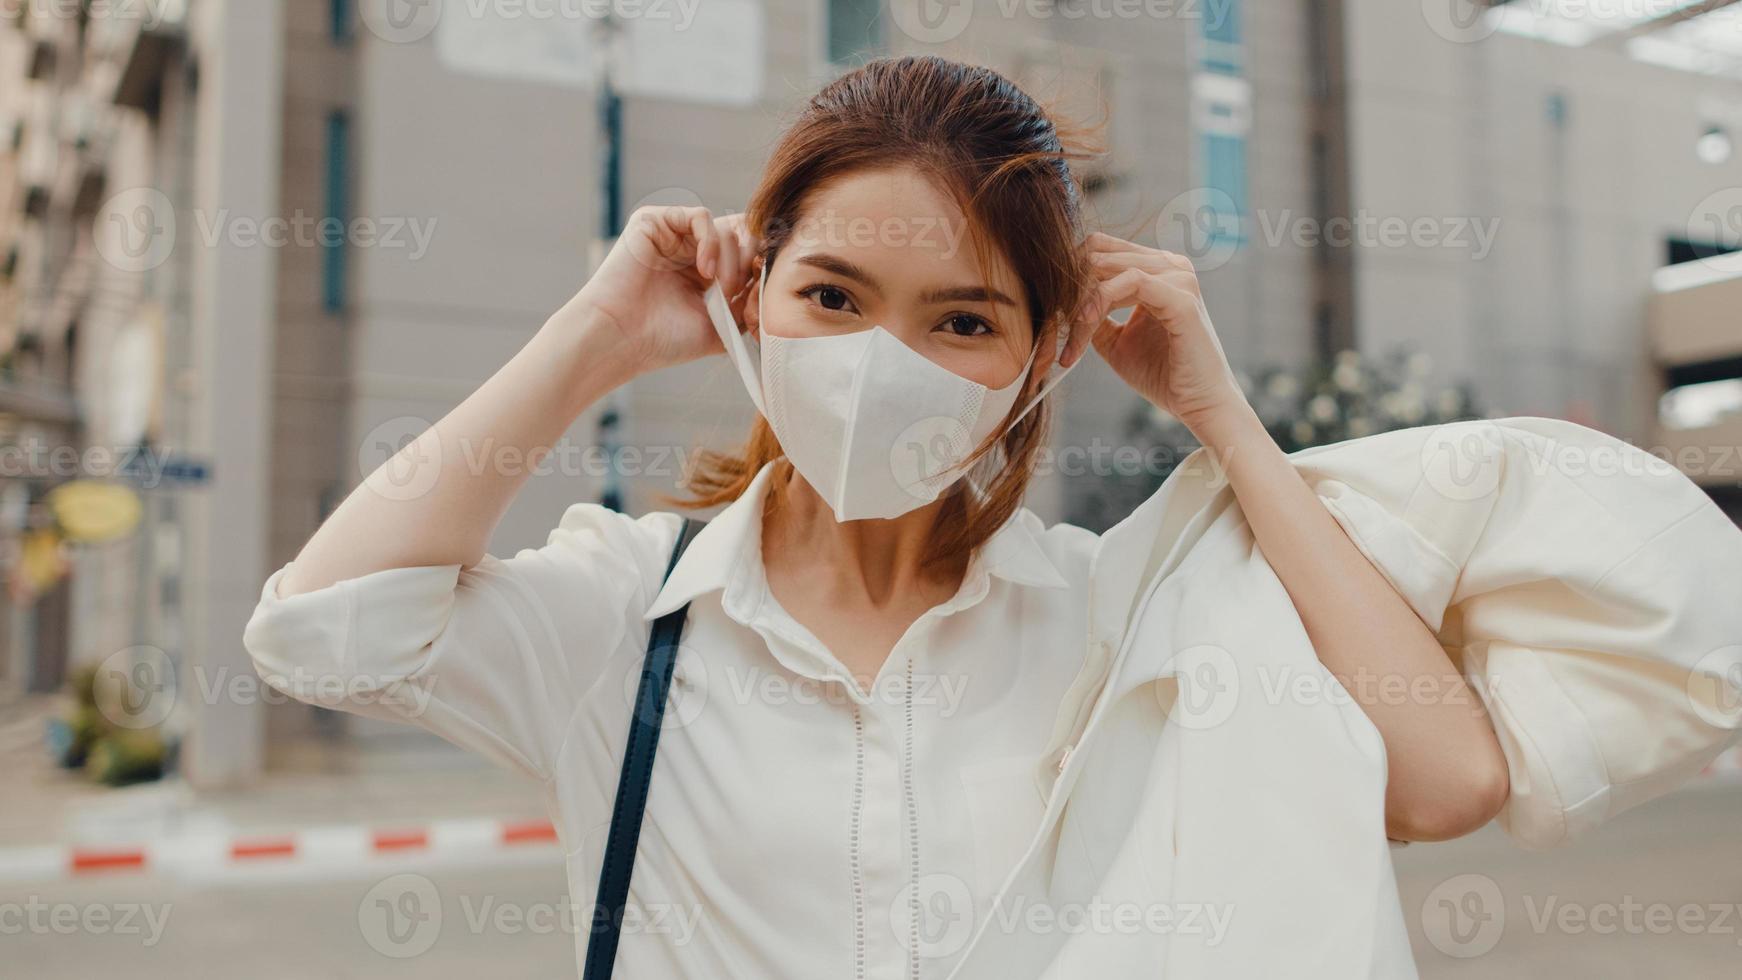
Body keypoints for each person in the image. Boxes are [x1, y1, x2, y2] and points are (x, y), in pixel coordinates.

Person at [243, 55, 1512, 977]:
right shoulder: (628, 612)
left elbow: (1442, 778)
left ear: (1045, 355)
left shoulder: (1116, 616)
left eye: (961, 319)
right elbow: (318, 632)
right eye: (833, 296)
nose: (877, 360)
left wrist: (1221, 413)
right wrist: (597, 335)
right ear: (753, 298)